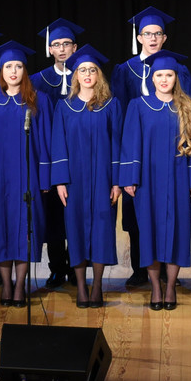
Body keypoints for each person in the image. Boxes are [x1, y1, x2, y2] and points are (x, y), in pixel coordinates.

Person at [110, 6, 191, 290]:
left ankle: (169, 272)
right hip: (139, 152)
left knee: (172, 215)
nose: (153, 38)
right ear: (140, 37)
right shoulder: (125, 70)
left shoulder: (178, 69)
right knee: (137, 216)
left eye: (158, 33)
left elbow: (189, 115)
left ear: (164, 37)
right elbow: (121, 114)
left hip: (171, 149)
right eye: (148, 33)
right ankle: (139, 269)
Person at [0, 41, 53, 308]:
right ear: (0, 70)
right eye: (8, 67)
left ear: (25, 70)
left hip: (28, 177)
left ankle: (19, 286)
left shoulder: (39, 100)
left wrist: (45, 178)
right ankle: (6, 285)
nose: (13, 71)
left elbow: (46, 141)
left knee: (24, 230)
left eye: (18, 66)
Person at [120, 50, 191, 309]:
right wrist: (129, 178)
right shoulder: (139, 106)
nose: (164, 80)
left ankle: (171, 287)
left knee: (178, 232)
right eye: (159, 75)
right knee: (149, 232)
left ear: (176, 78)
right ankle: (156, 287)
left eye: (169, 75)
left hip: (179, 178)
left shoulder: (188, 107)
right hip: (148, 180)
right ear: (152, 78)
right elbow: (130, 144)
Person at [50, 45, 123, 308]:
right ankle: (81, 286)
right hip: (74, 180)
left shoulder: (111, 106)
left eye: (92, 70)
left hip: (104, 179)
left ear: (99, 75)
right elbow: (58, 145)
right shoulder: (64, 107)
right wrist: (60, 181)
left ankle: (98, 286)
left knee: (103, 230)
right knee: (76, 231)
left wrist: (117, 182)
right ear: (76, 75)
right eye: (83, 70)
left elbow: (118, 145)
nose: (88, 74)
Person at [32, 19, 82, 290]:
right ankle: (56, 268)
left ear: (75, 47)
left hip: (79, 155)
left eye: (66, 44)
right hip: (48, 156)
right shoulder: (37, 81)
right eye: (56, 45)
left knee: (75, 214)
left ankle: (76, 267)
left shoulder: (86, 75)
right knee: (53, 216)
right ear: (50, 49)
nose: (62, 49)